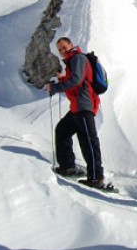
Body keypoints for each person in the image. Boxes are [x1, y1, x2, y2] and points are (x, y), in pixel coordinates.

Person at [45, 36, 115, 191]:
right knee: (62, 130)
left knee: (88, 141)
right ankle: (67, 166)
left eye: (64, 47)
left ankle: (96, 178)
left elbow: (76, 80)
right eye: (60, 49)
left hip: (84, 106)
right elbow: (76, 82)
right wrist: (63, 79)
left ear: (71, 45)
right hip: (78, 106)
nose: (63, 51)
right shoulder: (72, 61)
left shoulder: (78, 58)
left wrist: (56, 88)